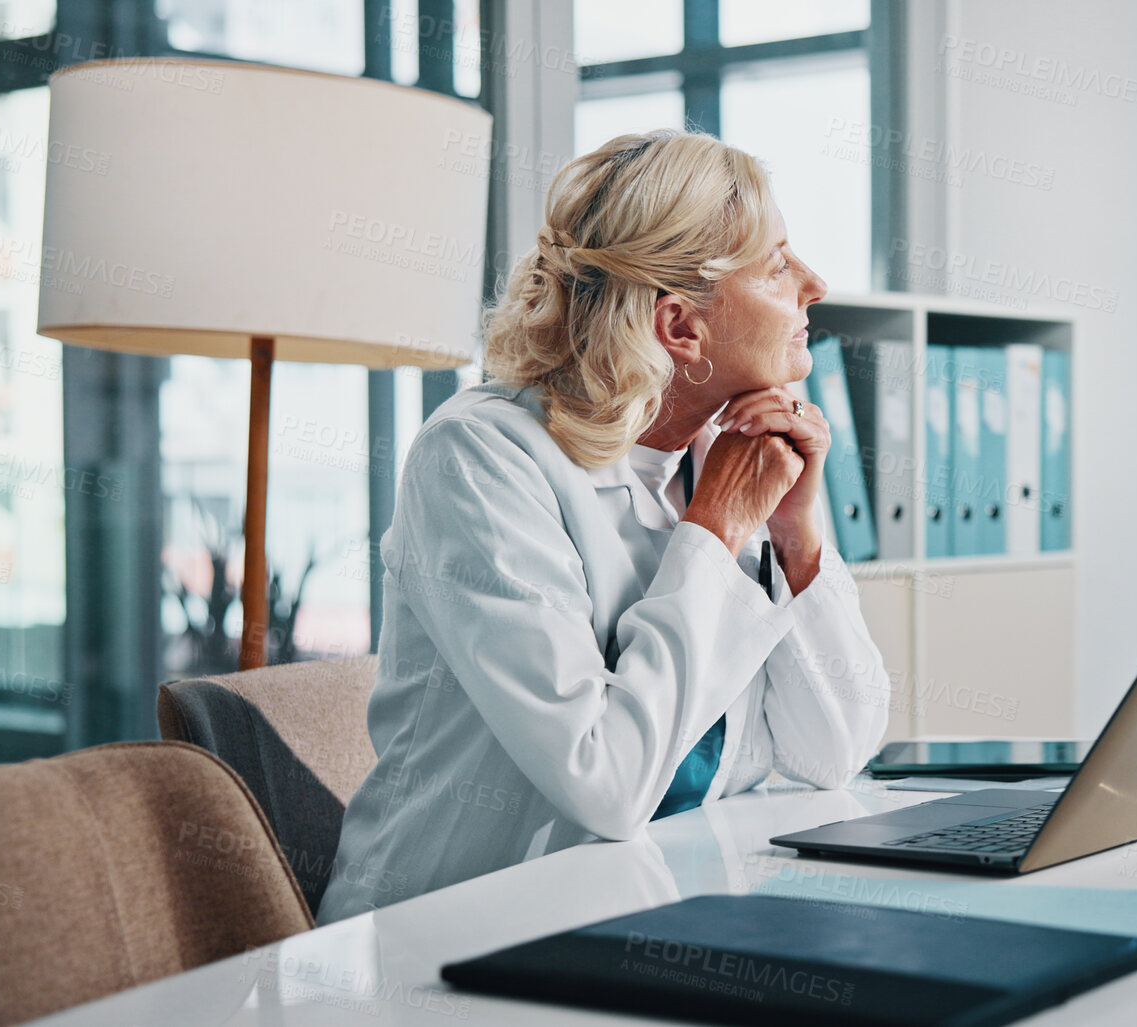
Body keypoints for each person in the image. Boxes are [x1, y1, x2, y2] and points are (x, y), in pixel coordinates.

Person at [317, 130, 890, 922]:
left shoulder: (723, 453)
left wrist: (796, 536)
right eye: (776, 264)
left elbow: (836, 751)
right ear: (679, 327)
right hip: (457, 936)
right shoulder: (480, 455)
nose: (815, 285)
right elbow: (606, 785)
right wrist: (714, 532)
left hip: (661, 899)